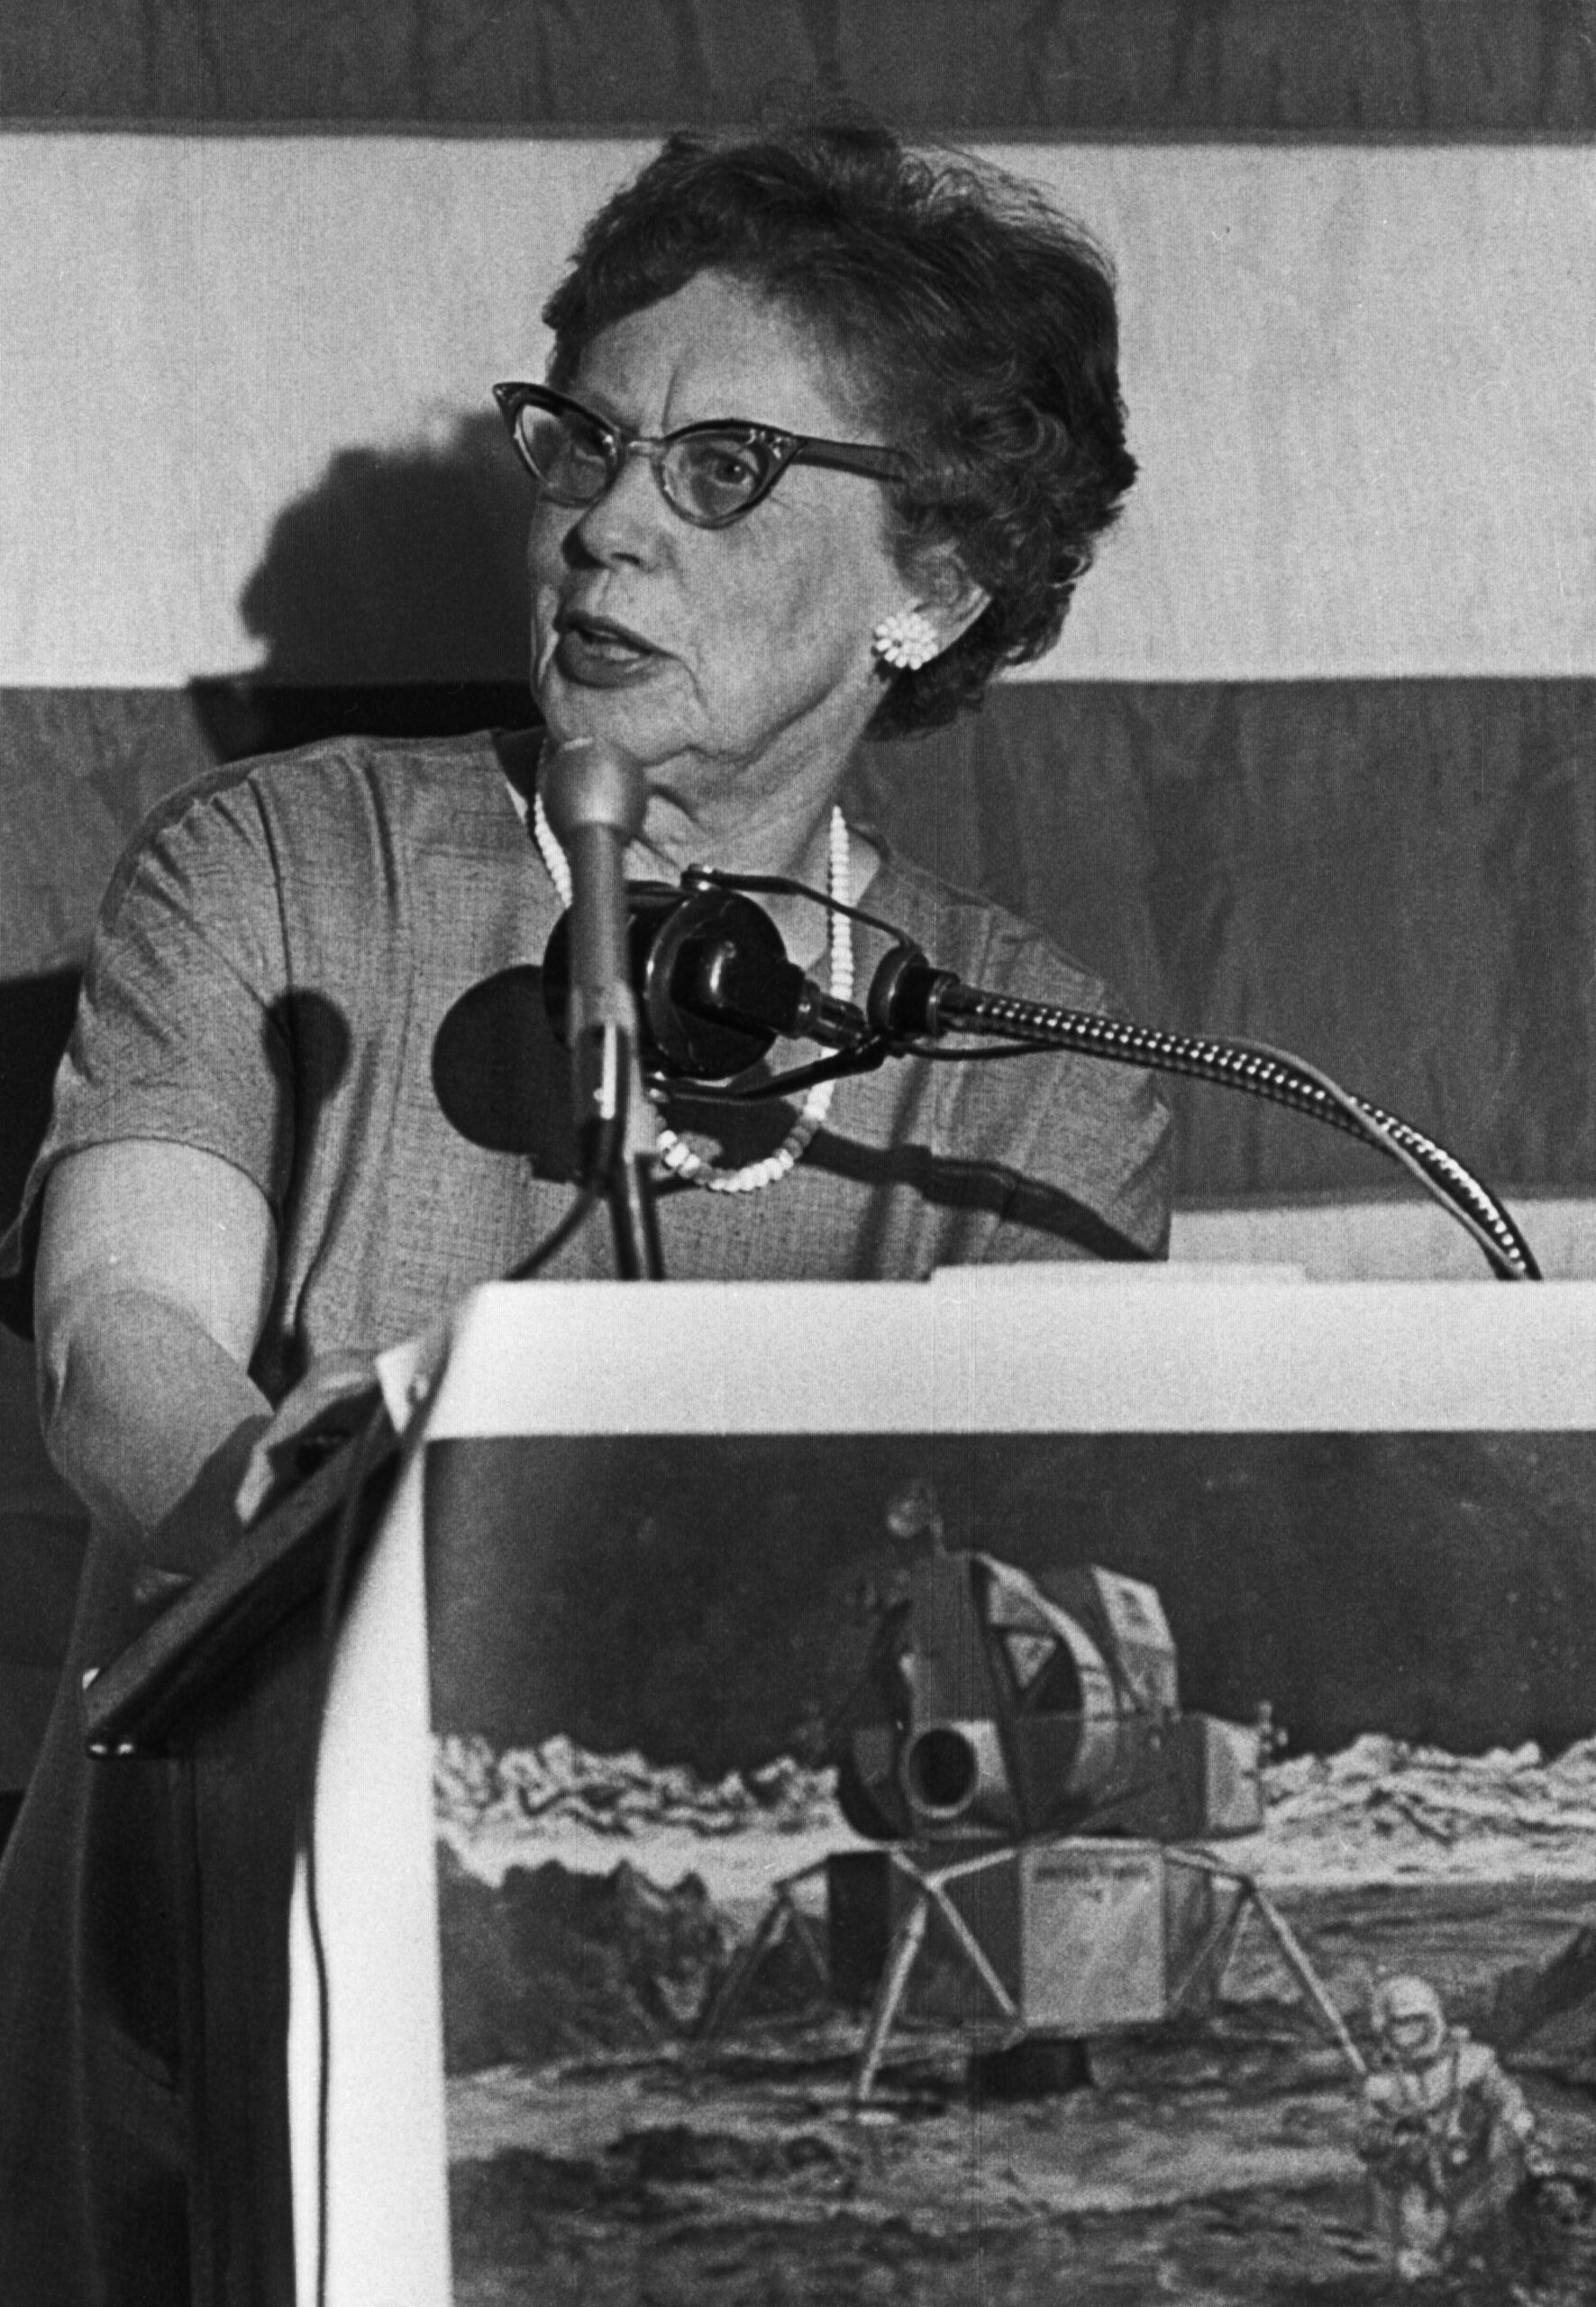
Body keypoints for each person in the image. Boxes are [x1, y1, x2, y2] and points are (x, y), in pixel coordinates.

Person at [0, 121, 1170, 2301]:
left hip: (770, 2122)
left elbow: (994, 1567)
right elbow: (114, 1349)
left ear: (930, 583)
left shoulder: (1051, 1074)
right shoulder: (274, 866)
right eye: (588, 445)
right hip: (214, 2003)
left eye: (722, 467)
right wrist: (293, 1504)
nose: (608, 521)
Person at [1357, 1973, 1546, 2283]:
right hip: (1417, 2174)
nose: (1408, 2031)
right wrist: (1395, 2134)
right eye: (1399, 2023)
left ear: (1432, 2019)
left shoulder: (1469, 2061)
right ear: (1386, 2028)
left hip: (1472, 2165)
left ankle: (1501, 2262)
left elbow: (1504, 2096)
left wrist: (1520, 2123)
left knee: (1490, 2209)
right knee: (1414, 2240)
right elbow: (1367, 2139)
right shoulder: (1383, 2083)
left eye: (1416, 2021)